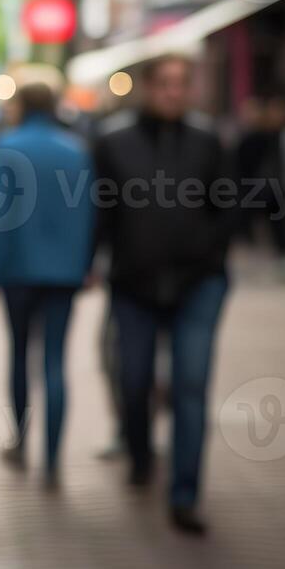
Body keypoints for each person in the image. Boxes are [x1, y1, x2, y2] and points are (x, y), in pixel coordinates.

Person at [92, 54, 238, 536]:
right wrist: (95, 263)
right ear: (146, 88)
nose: (174, 93)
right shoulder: (114, 142)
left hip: (199, 284)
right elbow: (100, 211)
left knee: (189, 386)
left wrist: (211, 254)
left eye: (182, 84)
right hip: (134, 285)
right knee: (133, 380)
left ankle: (185, 495)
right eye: (165, 84)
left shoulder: (207, 140)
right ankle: (139, 454)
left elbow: (227, 206)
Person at [0, 82, 94, 485]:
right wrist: (86, 263)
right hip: (64, 271)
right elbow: (87, 212)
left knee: (19, 355)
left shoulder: (8, 146)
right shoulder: (76, 150)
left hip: (18, 270)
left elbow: (1, 215)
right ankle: (52, 459)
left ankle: (21, 439)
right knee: (55, 361)